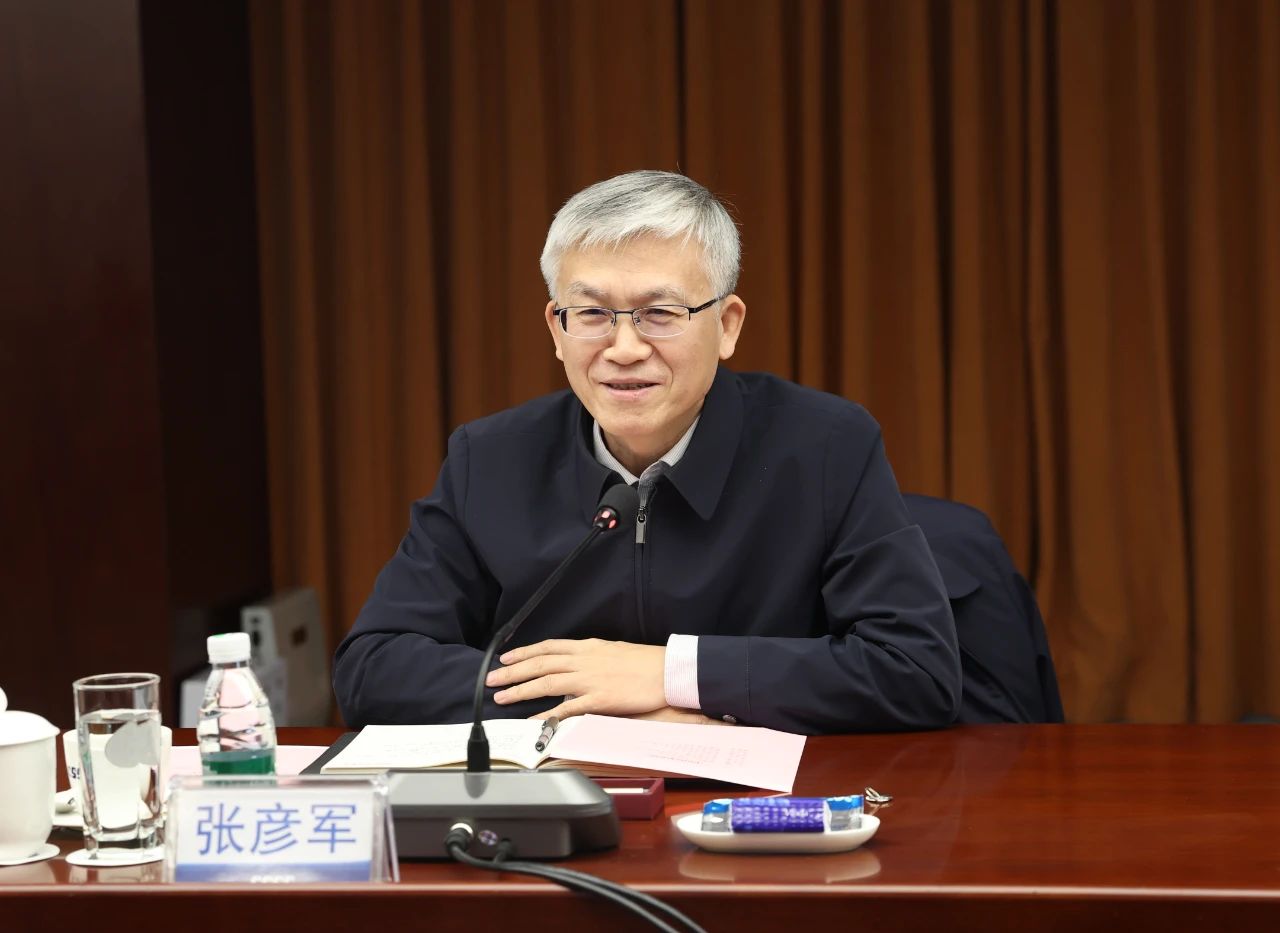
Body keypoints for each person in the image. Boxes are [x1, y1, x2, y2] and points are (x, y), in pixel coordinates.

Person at [333, 170, 961, 734]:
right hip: (564, 796)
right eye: (592, 313)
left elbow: (914, 671)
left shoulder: (825, 446)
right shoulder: (491, 459)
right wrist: (596, 701)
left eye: (660, 313)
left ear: (728, 325)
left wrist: (672, 674)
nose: (625, 348)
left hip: (758, 809)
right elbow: (373, 668)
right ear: (556, 329)